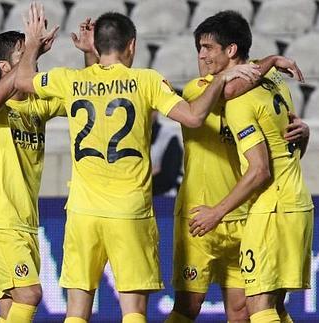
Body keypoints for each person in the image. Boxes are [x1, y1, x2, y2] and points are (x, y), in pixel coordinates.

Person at [14, 4, 260, 323]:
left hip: (83, 211)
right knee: (133, 311)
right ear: (132, 45)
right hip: (129, 212)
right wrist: (223, 76)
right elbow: (195, 116)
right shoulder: (146, 81)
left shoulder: (69, 80)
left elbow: (22, 80)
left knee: (76, 311)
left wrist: (33, 41)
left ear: (98, 46)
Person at [166, 11, 308, 323]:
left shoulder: (260, 84)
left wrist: (304, 132)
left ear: (231, 51)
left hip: (241, 210)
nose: (201, 55)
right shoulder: (196, 90)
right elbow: (228, 90)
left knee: (244, 310)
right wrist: (270, 60)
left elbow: (279, 133)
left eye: (207, 48)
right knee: (188, 307)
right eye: (198, 48)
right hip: (200, 214)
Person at [0, 29, 63, 322]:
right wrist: (33, 49)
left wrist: (89, 52)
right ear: (5, 68)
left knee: (11, 306)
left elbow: (81, 96)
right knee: (30, 294)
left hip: (25, 224)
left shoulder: (38, 105)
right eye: (25, 56)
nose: (33, 62)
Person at [150, 111, 183, 196]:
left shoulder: (169, 137)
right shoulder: (130, 137)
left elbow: (169, 176)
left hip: (164, 198)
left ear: (156, 112)